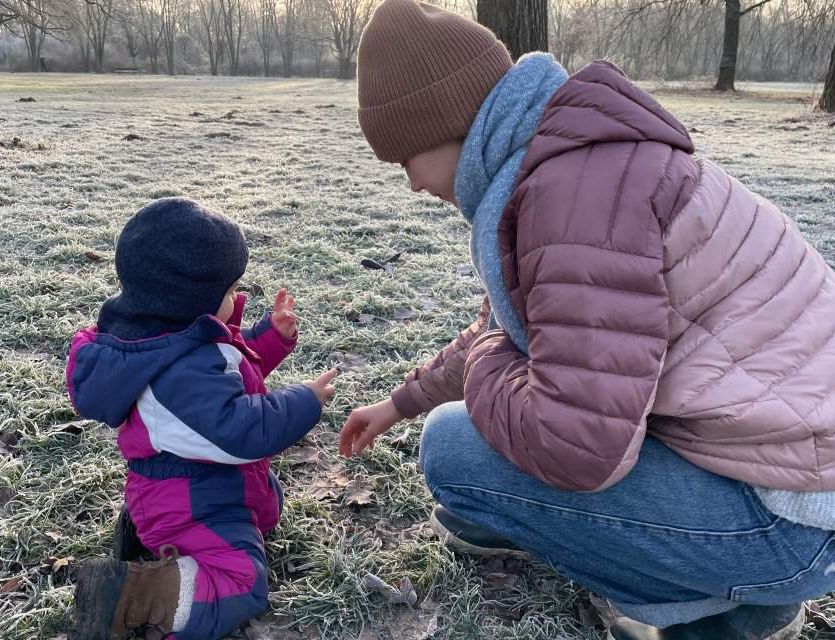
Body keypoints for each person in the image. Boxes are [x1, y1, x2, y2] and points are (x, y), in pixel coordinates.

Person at [340, 1, 835, 638]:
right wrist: (400, 402)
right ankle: (753, 593)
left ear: (443, 125)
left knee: (451, 448)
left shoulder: (572, 202)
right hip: (795, 481)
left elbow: (580, 450)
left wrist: (492, 358)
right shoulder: (583, 157)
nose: (409, 185)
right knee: (459, 422)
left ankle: (718, 616)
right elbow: (517, 330)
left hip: (791, 524)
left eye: (403, 160)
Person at [65, 197, 337, 640]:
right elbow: (241, 430)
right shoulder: (180, 371)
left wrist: (269, 338)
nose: (238, 297)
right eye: (231, 291)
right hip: (191, 502)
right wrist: (305, 400)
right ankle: (129, 598)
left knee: (267, 508)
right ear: (192, 299)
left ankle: (151, 542)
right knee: (242, 583)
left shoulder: (171, 338)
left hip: (198, 488)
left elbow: (228, 372)